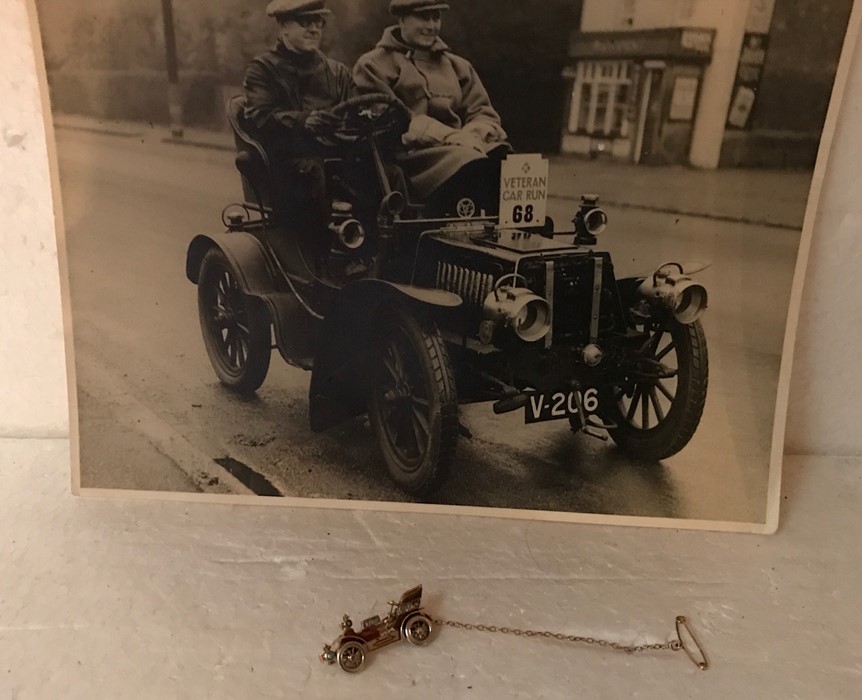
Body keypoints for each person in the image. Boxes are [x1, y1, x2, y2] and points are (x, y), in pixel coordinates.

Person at [352, 0, 510, 216]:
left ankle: (500, 235)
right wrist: (450, 137)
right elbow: (390, 119)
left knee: (504, 156)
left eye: (436, 17)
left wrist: (474, 133)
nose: (431, 26)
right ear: (402, 19)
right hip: (409, 157)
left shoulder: (458, 66)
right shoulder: (373, 64)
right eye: (423, 17)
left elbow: (482, 110)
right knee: (465, 160)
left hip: (462, 150)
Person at [242, 0, 351, 241]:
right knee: (311, 171)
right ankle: (323, 253)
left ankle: (387, 254)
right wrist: (305, 120)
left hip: (336, 155)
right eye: (305, 22)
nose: (314, 29)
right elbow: (261, 116)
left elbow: (354, 111)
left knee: (390, 172)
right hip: (287, 162)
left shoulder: (337, 72)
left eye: (318, 22)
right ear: (284, 27)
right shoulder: (263, 69)